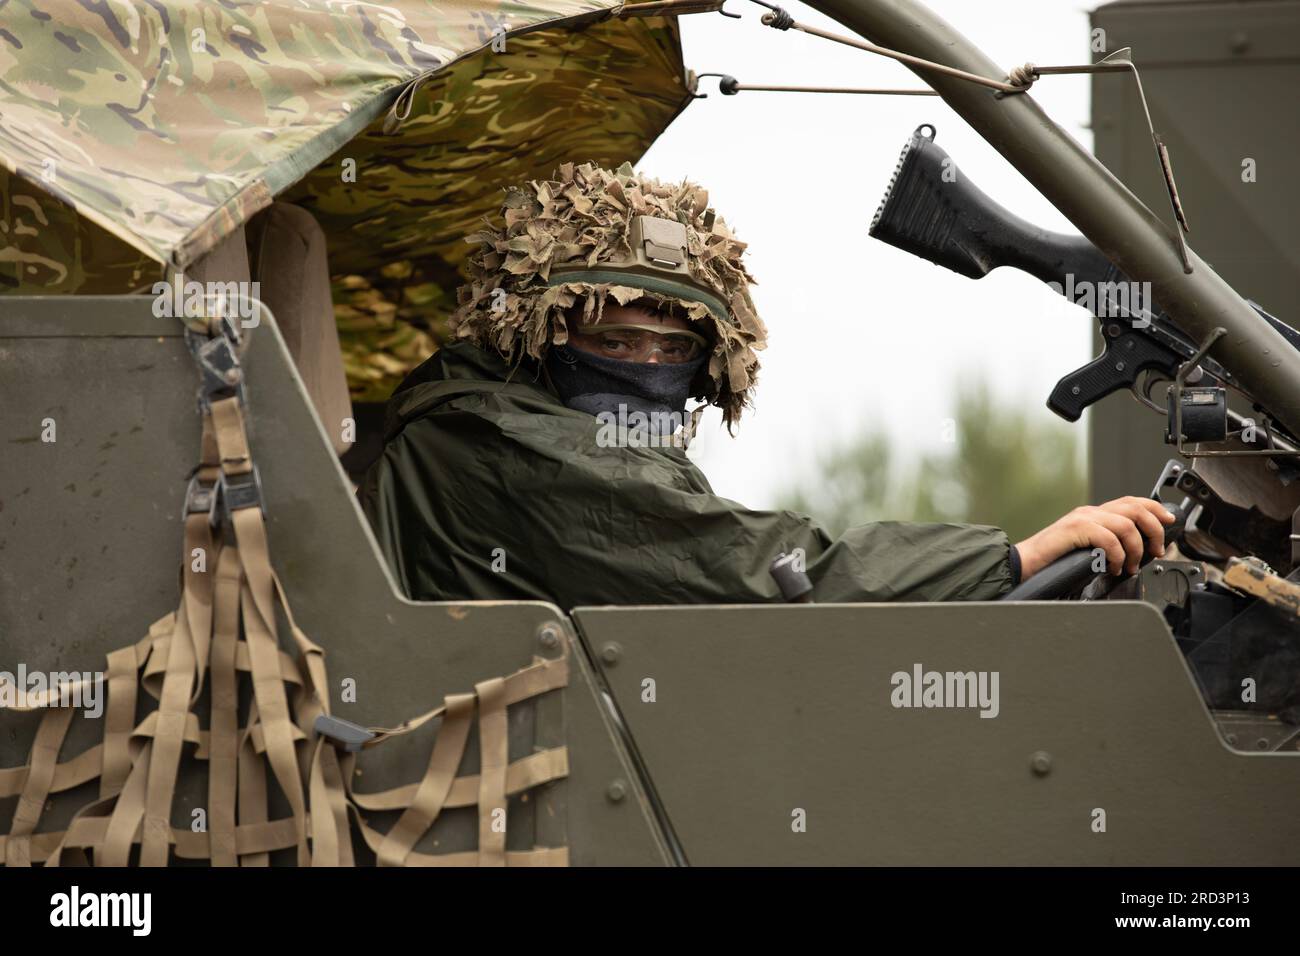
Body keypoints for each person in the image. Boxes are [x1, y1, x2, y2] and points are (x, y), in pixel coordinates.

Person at [358, 161, 1173, 608]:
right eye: (613, 338)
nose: (644, 363)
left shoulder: (507, 429)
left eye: (670, 348)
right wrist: (1011, 561)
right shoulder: (500, 443)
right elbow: (757, 573)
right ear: (538, 336)